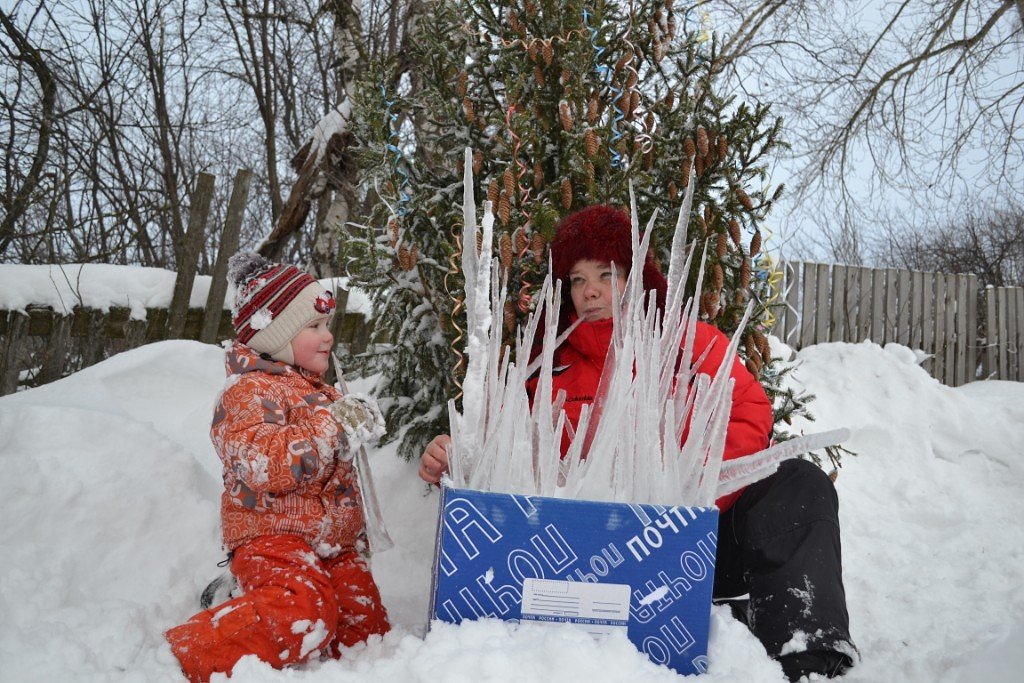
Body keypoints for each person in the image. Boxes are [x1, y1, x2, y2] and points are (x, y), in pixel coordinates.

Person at [419, 205, 856, 680]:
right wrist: (458, 455)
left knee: (798, 482)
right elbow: (503, 448)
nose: (590, 290)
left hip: (699, 545)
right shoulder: (546, 369)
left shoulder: (694, 344)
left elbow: (748, 414)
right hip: (589, 562)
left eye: (607, 274)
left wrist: (681, 503)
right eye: (578, 279)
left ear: (637, 278)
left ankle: (808, 657)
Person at [165, 253, 389, 683]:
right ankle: (194, 645)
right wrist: (333, 425)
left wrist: (355, 422)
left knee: (365, 631)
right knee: (304, 610)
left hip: (334, 546)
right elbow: (265, 464)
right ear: (275, 333)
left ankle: (268, 608)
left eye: (327, 326)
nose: (328, 337)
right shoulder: (246, 392)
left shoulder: (321, 390)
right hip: (273, 538)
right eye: (314, 327)